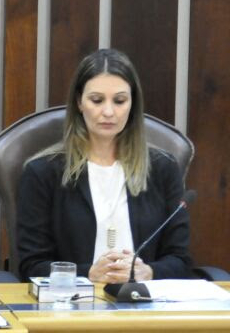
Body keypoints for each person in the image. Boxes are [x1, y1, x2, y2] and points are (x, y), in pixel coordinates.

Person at [16, 48, 192, 282]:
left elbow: (181, 261)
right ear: (79, 102)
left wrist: (149, 272)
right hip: (75, 300)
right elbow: (32, 266)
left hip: (145, 299)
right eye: (97, 100)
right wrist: (88, 273)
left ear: (132, 104)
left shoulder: (162, 169)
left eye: (119, 101)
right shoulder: (42, 173)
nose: (108, 112)